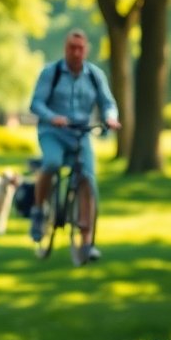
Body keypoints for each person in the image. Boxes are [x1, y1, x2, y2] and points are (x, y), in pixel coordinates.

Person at [28, 28, 121, 266]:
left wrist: (110, 118)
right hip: (53, 132)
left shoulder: (94, 75)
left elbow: (108, 103)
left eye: (80, 48)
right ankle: (38, 211)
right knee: (52, 162)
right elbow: (36, 103)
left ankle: (87, 243)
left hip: (81, 134)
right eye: (72, 48)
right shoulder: (51, 73)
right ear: (65, 49)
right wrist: (53, 117)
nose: (76, 52)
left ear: (86, 49)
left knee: (88, 179)